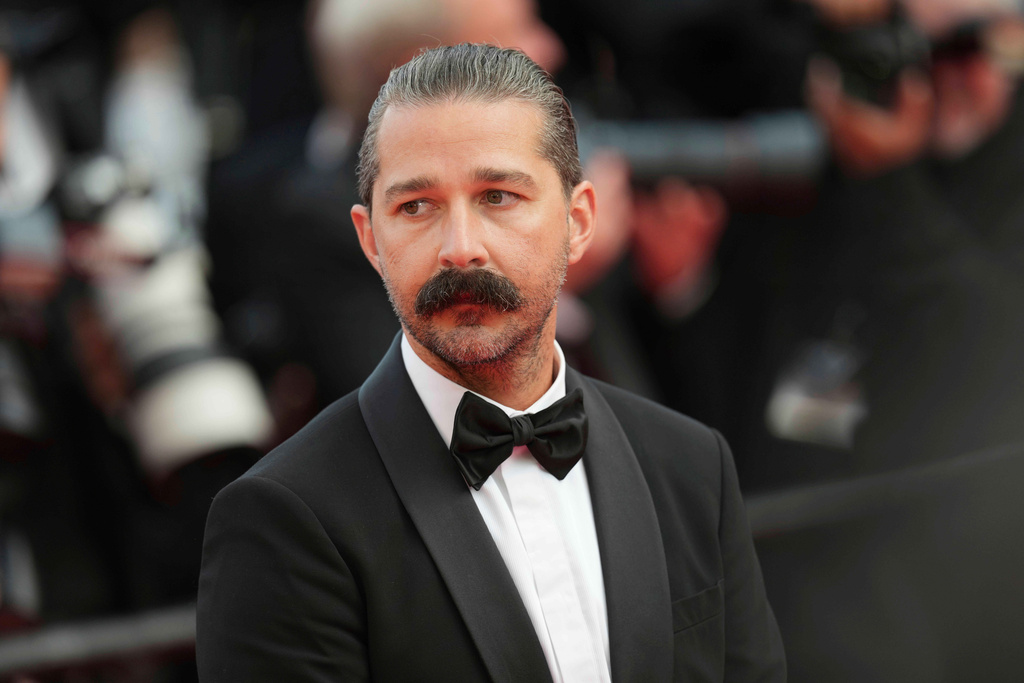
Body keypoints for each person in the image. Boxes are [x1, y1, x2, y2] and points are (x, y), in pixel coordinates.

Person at [197, 43, 785, 682]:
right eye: (415, 207)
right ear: (371, 240)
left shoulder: (691, 467)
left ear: (578, 221)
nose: (460, 248)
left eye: (498, 196)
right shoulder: (285, 518)